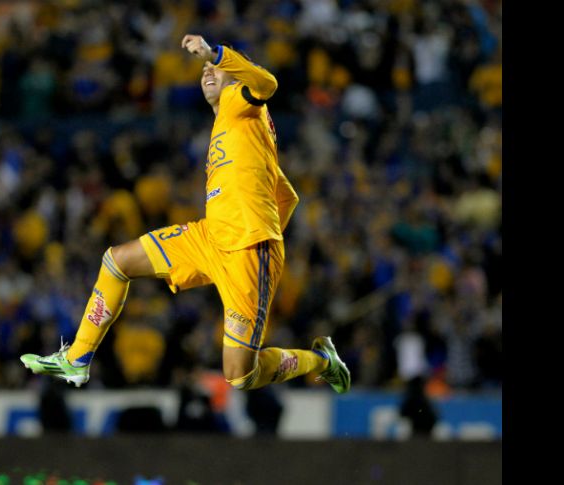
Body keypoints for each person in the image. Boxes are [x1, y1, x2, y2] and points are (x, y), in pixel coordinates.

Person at [21, 35, 350, 394]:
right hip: (210, 238)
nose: (208, 72)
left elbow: (268, 84)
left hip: (248, 252)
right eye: (205, 69)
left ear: (236, 76)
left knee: (240, 375)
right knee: (117, 261)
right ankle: (77, 359)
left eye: (217, 69)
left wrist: (258, 243)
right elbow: (288, 196)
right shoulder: (240, 130)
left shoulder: (238, 103)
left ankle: (322, 361)